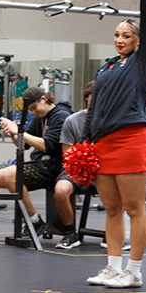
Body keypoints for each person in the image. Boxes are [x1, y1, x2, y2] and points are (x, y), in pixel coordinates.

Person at [82, 0, 146, 288]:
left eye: (126, 35)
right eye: (116, 34)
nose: (120, 39)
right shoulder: (107, 68)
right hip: (102, 143)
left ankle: (134, 271)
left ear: (139, 40)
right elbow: (94, 109)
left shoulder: (144, 63)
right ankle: (113, 267)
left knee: (134, 209)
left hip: (129, 140)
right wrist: (84, 143)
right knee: (111, 209)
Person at [0, 87, 70, 239]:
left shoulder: (61, 116)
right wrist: (13, 134)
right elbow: (23, 144)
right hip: (41, 165)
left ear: (44, 99)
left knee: (12, 174)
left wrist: (19, 132)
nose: (33, 112)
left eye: (34, 108)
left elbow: (48, 146)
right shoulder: (40, 118)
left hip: (56, 168)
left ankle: (35, 221)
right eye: (30, 110)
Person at [53, 81, 95, 249]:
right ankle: (71, 233)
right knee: (61, 190)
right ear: (86, 97)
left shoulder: (110, 121)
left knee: (119, 190)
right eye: (94, 97)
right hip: (76, 168)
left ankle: (112, 236)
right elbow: (67, 155)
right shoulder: (72, 121)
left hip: (105, 169)